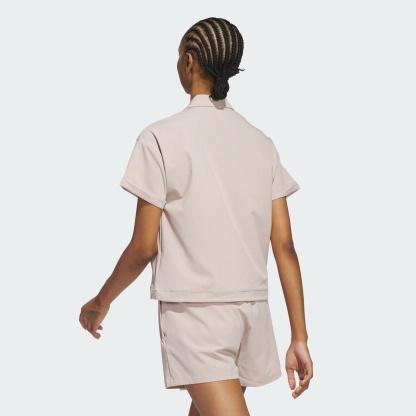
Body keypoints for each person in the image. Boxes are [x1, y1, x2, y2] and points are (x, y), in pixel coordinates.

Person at [79, 16, 313, 416]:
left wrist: (101, 301)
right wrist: (300, 336)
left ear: (189, 61)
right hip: (251, 312)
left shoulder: (159, 138)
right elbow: (285, 246)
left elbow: (143, 247)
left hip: (196, 314)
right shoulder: (262, 143)